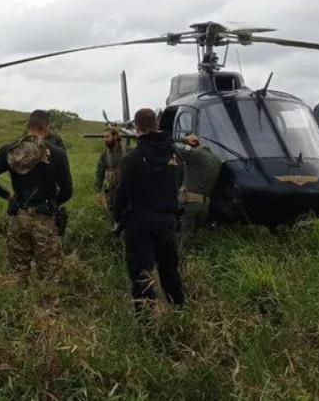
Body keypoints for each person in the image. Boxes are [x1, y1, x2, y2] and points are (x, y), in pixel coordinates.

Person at [0, 109, 73, 284]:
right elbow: (67, 191)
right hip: (45, 219)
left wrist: (8, 196)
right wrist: (52, 202)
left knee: (16, 274)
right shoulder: (58, 154)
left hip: (19, 218)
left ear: (28, 126)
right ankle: (48, 310)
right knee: (50, 277)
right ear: (47, 128)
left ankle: (16, 309)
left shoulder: (10, 150)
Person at [113, 108, 186, 312]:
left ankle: (146, 320)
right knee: (169, 269)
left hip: (141, 221)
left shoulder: (133, 158)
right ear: (157, 124)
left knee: (141, 272)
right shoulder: (175, 154)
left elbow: (123, 192)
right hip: (168, 219)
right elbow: (180, 180)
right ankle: (178, 309)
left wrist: (118, 218)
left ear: (136, 128)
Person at [174, 133, 223, 240]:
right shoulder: (216, 158)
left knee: (182, 239)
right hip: (204, 206)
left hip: (190, 204)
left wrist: (184, 140)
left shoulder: (197, 154)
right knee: (194, 239)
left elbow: (172, 146)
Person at [94, 127, 130, 225]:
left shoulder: (128, 151)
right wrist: (98, 190)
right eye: (104, 137)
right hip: (112, 190)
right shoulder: (105, 154)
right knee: (114, 214)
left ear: (115, 136)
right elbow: (99, 172)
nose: (105, 139)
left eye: (107, 136)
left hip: (127, 190)